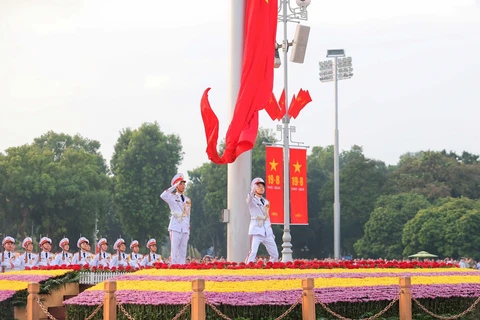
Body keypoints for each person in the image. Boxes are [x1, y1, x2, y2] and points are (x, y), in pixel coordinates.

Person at [245, 177, 279, 263]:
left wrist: (271, 231)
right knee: (253, 252)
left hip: (267, 231)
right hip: (257, 230)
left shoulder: (266, 202)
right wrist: (251, 193)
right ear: (254, 187)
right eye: (258, 186)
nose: (261, 188)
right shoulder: (252, 200)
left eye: (262, 186)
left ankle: (270, 268)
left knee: (275, 254)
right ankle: (247, 268)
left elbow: (267, 217)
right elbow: (249, 201)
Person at [160, 173, 191, 265]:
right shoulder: (172, 197)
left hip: (184, 227)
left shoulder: (187, 200)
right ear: (176, 185)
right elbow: (163, 195)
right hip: (175, 226)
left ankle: (182, 267)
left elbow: (188, 215)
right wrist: (173, 187)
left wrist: (188, 229)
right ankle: (174, 266)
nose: (183, 186)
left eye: (184, 184)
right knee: (174, 249)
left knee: (183, 249)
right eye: (180, 184)